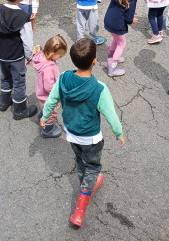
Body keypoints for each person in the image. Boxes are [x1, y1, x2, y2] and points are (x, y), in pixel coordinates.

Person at [39, 38, 126, 228]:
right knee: (93, 167)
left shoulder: (62, 78)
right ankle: (80, 207)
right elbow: (111, 115)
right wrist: (119, 133)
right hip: (91, 138)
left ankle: (84, 183)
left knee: (80, 160)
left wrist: (45, 117)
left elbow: (52, 100)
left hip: (71, 133)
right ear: (94, 60)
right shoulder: (99, 89)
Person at [0, 0, 38, 119]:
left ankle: (4, 102)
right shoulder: (23, 17)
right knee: (19, 81)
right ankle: (19, 110)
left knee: (5, 76)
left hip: (0, 52)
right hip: (15, 56)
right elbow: (27, 41)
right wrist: (29, 56)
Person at [102, 0, 139, 77]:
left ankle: (111, 55)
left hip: (109, 21)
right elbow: (128, 19)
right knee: (122, 43)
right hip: (118, 25)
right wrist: (132, 19)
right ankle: (112, 68)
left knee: (116, 39)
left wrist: (129, 16)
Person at [32, 34, 69, 138]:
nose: (60, 57)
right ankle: (47, 130)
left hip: (42, 92)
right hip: (48, 95)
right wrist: (59, 91)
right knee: (51, 112)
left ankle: (43, 113)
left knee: (45, 107)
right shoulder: (48, 68)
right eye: (60, 55)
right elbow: (49, 87)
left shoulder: (43, 56)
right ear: (52, 53)